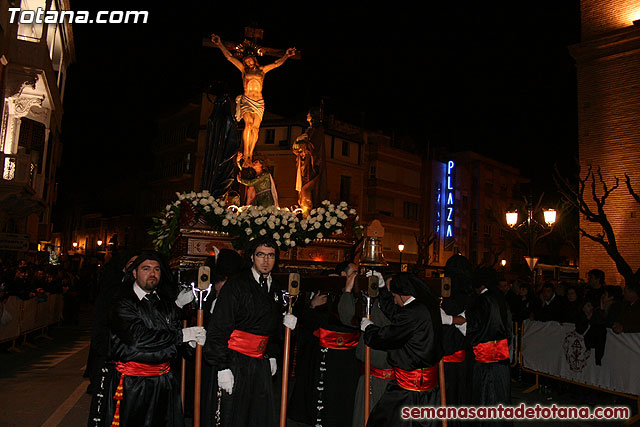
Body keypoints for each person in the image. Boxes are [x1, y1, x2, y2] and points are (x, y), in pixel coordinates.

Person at [88, 251, 205, 427]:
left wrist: (191, 343)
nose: (152, 273)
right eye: (146, 268)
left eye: (157, 269)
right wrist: (181, 335)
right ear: (134, 273)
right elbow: (138, 339)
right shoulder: (122, 301)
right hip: (134, 385)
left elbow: (171, 337)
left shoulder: (163, 302)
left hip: (163, 383)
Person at [204, 236, 297, 427]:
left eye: (270, 255)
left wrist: (274, 347)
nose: (266, 260)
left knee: (258, 416)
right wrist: (222, 367)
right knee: (232, 416)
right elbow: (218, 328)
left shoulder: (276, 288)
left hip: (260, 363)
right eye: (261, 255)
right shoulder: (236, 285)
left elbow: (268, 327)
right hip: (235, 360)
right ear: (252, 257)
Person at [361, 273, 443, 427]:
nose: (394, 300)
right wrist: (382, 289)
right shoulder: (425, 306)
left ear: (402, 294)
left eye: (394, 296)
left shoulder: (413, 312)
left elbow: (389, 337)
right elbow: (396, 314)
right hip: (427, 388)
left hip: (409, 388)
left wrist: (369, 329)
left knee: (381, 421)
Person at [288, 261, 360, 427]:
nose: (357, 275)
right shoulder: (326, 289)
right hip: (325, 350)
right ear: (343, 274)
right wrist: (313, 305)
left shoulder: (357, 293)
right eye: (354, 272)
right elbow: (311, 321)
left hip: (347, 354)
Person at [210, 33, 296, 166]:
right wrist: (219, 44)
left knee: (255, 128)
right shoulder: (243, 70)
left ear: (254, 60)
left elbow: (276, 63)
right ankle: (246, 154)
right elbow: (229, 57)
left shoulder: (262, 70)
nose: (248, 62)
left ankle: (251, 154)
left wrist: (286, 55)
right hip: (247, 101)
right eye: (246, 61)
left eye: (250, 60)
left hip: (259, 103)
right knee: (248, 124)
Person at [337, 266, 394, 427]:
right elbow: (348, 317)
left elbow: (391, 322)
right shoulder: (369, 303)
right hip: (369, 374)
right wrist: (348, 291)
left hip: (392, 378)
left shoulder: (398, 309)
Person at [462, 267, 512, 426]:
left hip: (486, 359)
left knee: (487, 398)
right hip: (501, 358)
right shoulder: (500, 298)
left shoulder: (484, 300)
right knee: (500, 398)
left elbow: (475, 327)